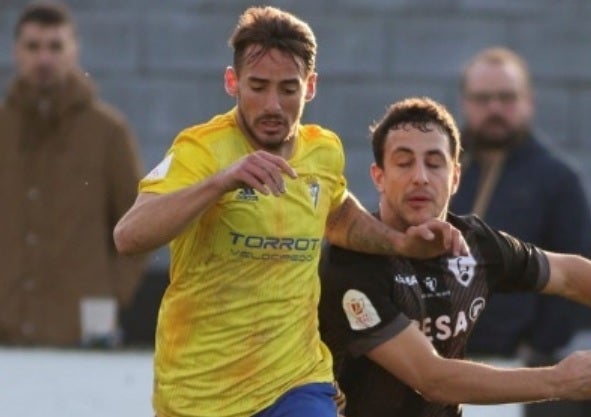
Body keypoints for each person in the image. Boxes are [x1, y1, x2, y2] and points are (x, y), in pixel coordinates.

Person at [113, 7, 467, 417]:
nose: (273, 105)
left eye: (288, 89)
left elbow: (334, 214)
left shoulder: (323, 150)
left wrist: (399, 242)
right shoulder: (202, 150)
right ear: (233, 82)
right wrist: (220, 183)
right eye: (258, 87)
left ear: (310, 87)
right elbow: (129, 237)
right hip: (200, 392)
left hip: (296, 382)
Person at [319, 97, 591, 417]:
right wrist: (559, 381)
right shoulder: (351, 260)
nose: (420, 176)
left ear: (456, 177)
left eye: (434, 163)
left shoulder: (475, 244)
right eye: (404, 162)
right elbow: (432, 379)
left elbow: (568, 275)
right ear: (379, 176)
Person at [450, 47, 591, 416]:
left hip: (513, 371)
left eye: (506, 98)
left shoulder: (557, 180)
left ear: (528, 101)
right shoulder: (441, 170)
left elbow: (577, 271)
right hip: (437, 372)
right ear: (465, 103)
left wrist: (535, 351)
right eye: (483, 99)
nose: (494, 108)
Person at [0, 2, 145, 346]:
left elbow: (140, 222)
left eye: (55, 46)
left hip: (80, 330)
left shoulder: (107, 131)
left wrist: (109, 297)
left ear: (74, 51)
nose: (44, 58)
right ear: (16, 51)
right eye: (33, 46)